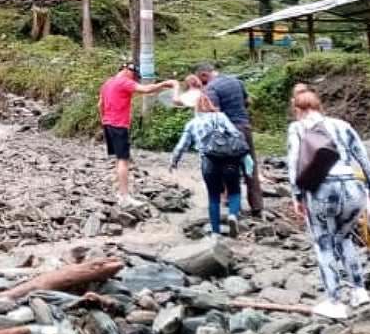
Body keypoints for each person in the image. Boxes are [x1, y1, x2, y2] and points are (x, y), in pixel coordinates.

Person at [287, 88, 370, 320]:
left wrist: (297, 196)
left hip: (321, 190)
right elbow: (364, 157)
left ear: (297, 110)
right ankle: (359, 291)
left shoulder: (297, 128)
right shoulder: (342, 125)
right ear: (320, 107)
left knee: (324, 244)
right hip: (352, 188)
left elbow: (294, 163)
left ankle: (335, 301)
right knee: (344, 238)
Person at [98, 61, 178, 207]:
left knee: (119, 159)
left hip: (108, 123)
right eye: (134, 75)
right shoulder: (124, 82)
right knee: (124, 160)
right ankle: (124, 196)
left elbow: (100, 104)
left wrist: (104, 119)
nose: (134, 79)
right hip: (119, 125)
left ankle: (121, 191)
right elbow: (147, 89)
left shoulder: (108, 82)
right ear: (128, 71)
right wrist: (165, 84)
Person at [169, 93, 245, 239]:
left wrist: (174, 161)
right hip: (229, 160)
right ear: (210, 105)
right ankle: (233, 215)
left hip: (208, 161)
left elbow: (181, 146)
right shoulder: (221, 117)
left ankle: (215, 232)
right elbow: (235, 134)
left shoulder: (192, 124)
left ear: (196, 108)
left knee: (213, 196)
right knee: (234, 190)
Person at [195, 63, 264, 216]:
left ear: (204, 75)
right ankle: (257, 205)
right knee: (250, 165)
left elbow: (215, 112)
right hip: (245, 127)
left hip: (228, 131)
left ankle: (234, 206)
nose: (203, 84)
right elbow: (248, 101)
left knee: (228, 166)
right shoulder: (235, 81)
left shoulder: (211, 88)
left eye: (202, 81)